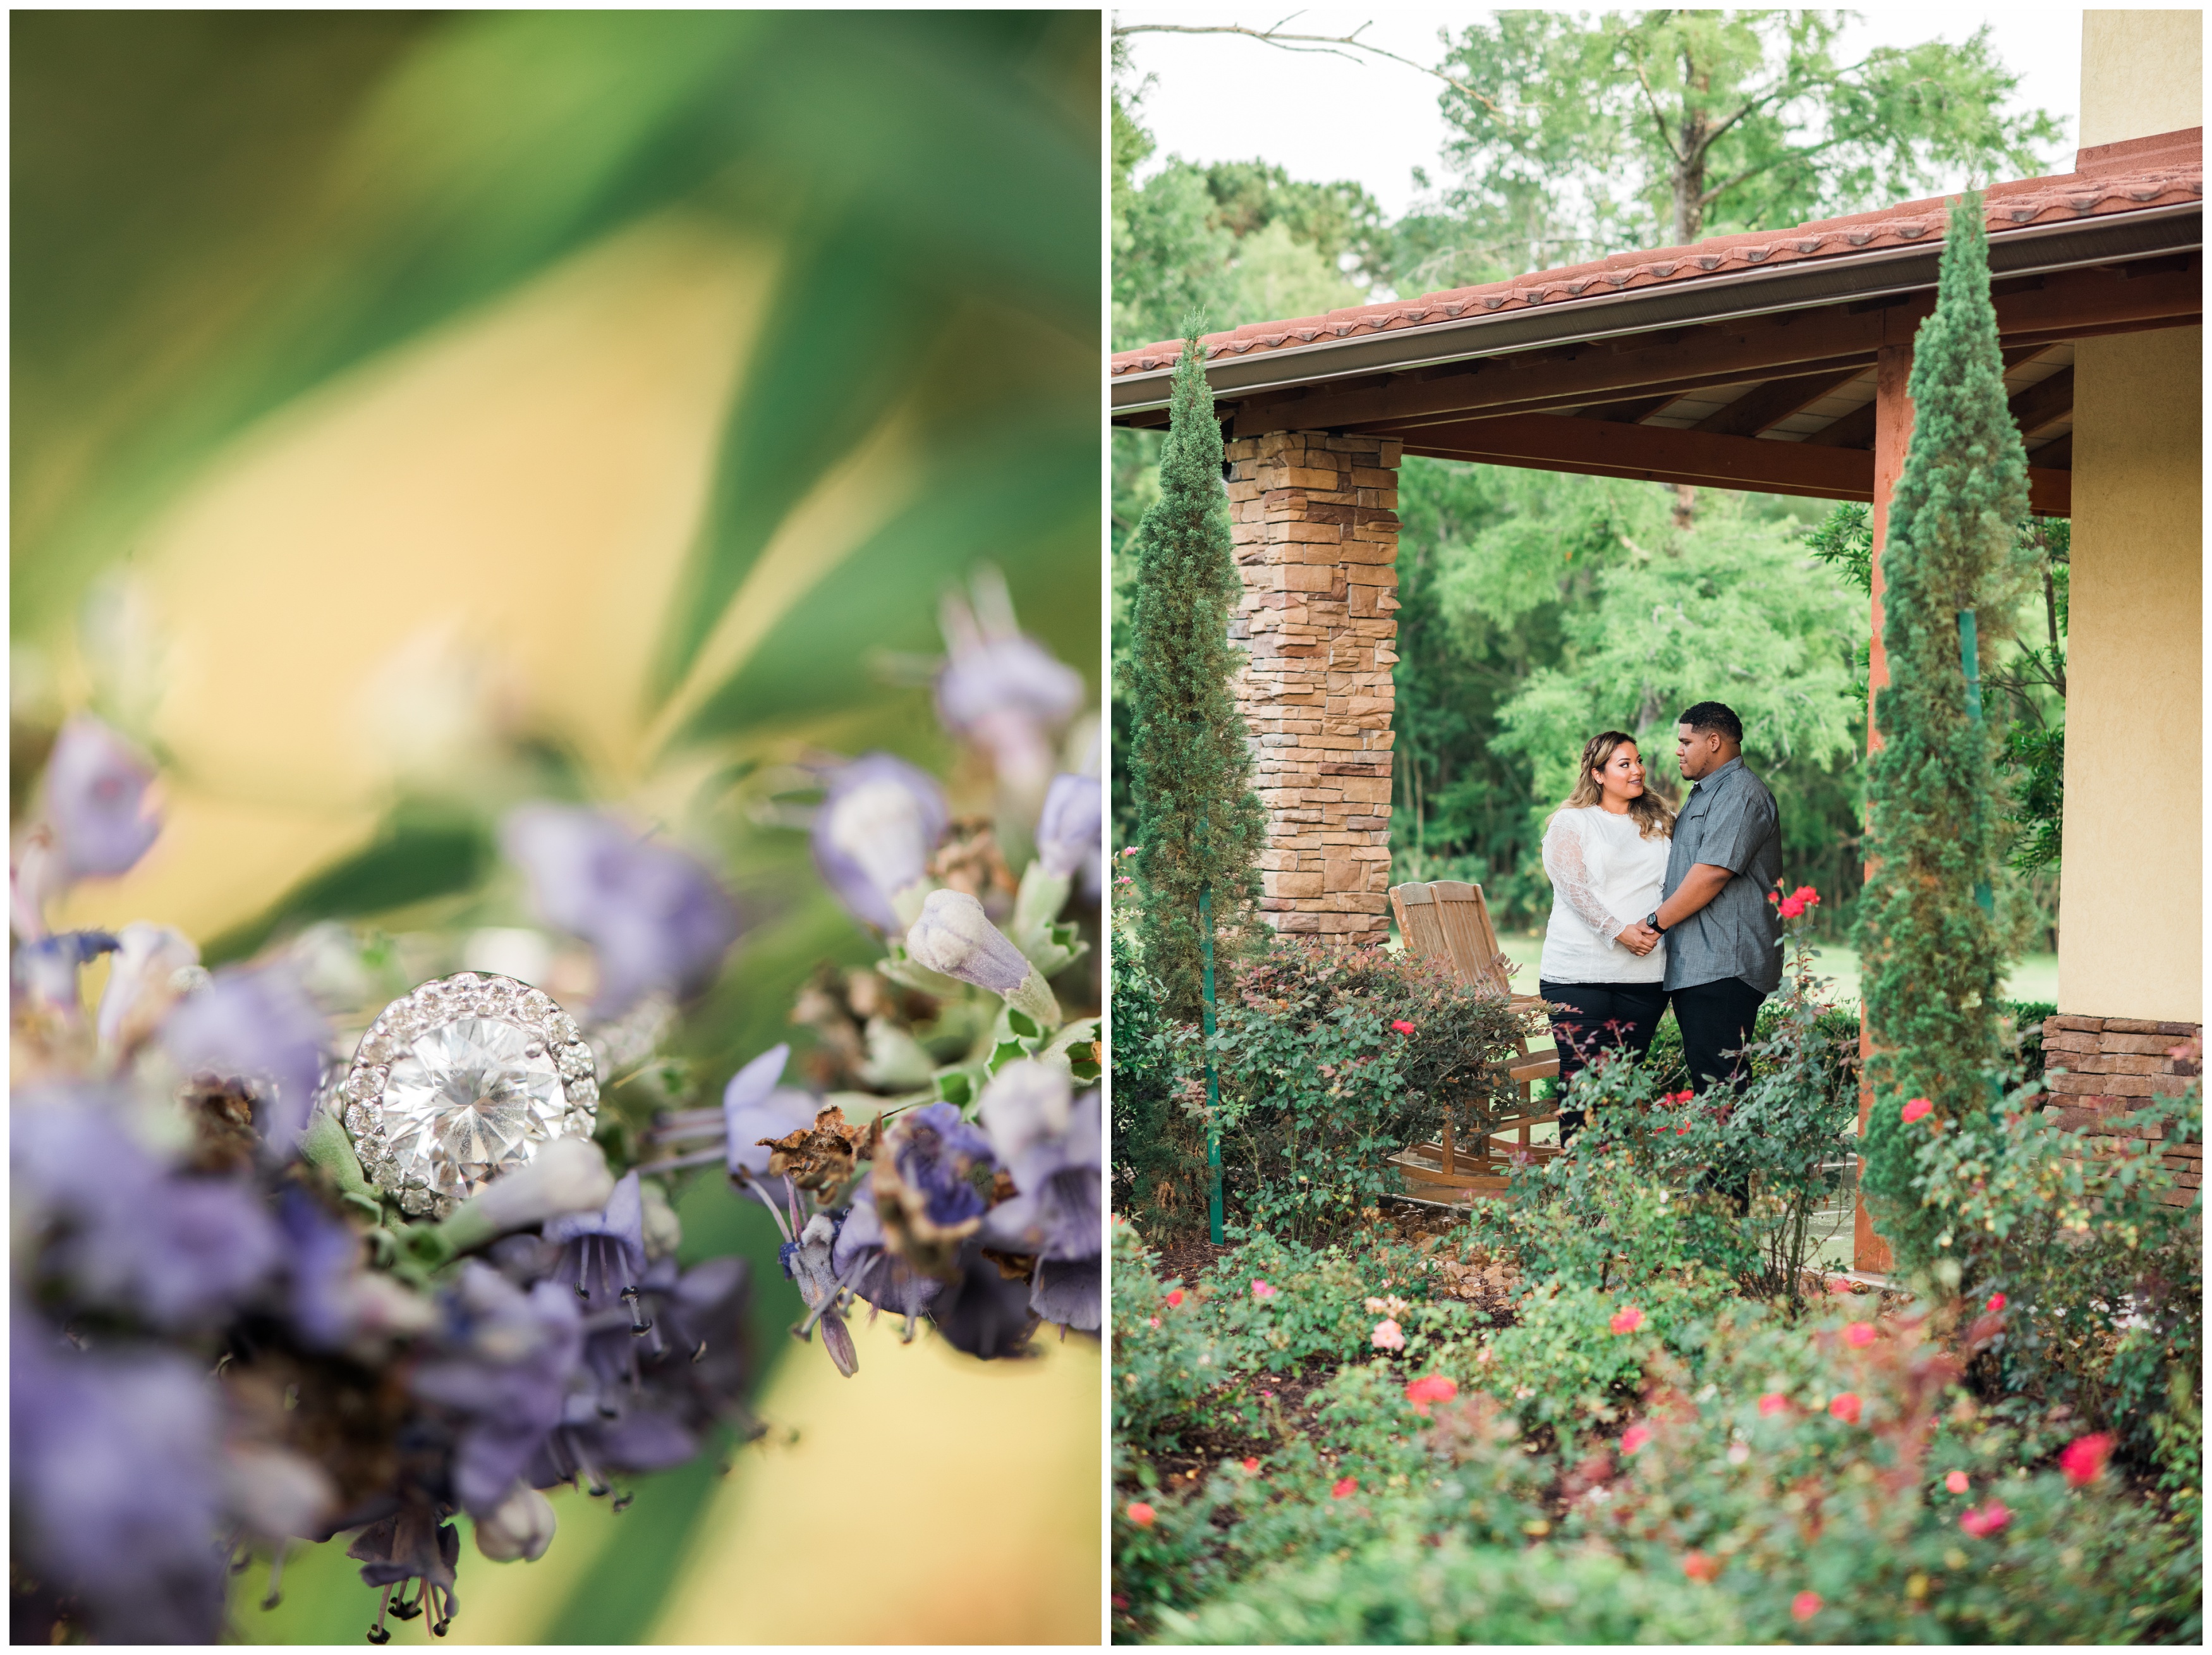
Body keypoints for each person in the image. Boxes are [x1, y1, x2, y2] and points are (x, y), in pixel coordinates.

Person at [1615, 701, 1782, 1097]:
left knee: (1720, 1084)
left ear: (1713, 741)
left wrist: (1655, 923)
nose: (1678, 750)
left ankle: (1726, 1162)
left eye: (1685, 741)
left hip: (1725, 964)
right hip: (1704, 965)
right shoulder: (1709, 793)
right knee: (1714, 1079)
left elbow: (1711, 874)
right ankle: (1722, 1160)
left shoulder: (1741, 794)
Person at [1536, 730, 1673, 1145]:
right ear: (1597, 774)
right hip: (1579, 975)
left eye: (1639, 761)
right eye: (1624, 764)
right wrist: (1621, 932)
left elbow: (1674, 887)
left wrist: (1653, 929)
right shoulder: (1572, 821)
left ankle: (1614, 1191)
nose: (1638, 770)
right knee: (1582, 1084)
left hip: (1645, 977)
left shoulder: (1659, 823)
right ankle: (1581, 1194)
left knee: (1621, 1086)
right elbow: (1572, 888)